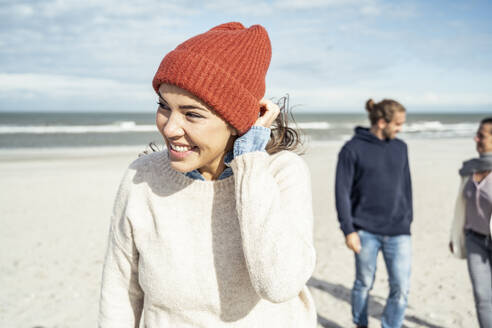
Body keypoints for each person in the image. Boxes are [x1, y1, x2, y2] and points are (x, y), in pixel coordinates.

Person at [97, 22, 317, 328]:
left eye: (192, 114)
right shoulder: (141, 178)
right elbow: (119, 292)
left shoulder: (282, 174)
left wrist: (250, 160)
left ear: (237, 122)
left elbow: (279, 284)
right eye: (164, 106)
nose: (170, 128)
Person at [335, 99, 412, 328]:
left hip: (399, 231)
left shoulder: (401, 147)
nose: (400, 129)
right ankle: (361, 324)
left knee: (401, 287)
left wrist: (408, 219)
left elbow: (406, 187)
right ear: (381, 122)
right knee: (363, 284)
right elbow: (341, 193)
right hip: (365, 231)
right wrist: (349, 230)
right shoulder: (351, 149)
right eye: (397, 124)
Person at [449, 117, 492, 328]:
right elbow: (461, 206)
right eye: (477, 133)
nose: (476, 138)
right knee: (482, 296)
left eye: (482, 135)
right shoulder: (470, 169)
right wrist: (455, 235)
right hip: (475, 240)